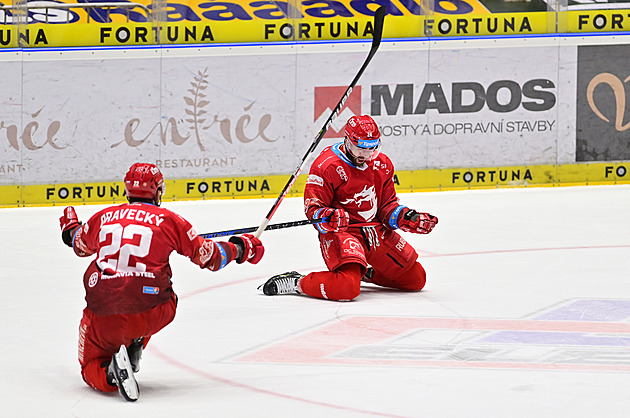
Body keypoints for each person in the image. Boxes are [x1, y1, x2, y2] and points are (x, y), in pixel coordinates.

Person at [59, 163, 264, 402]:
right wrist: (241, 248)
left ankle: (111, 374)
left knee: (90, 366)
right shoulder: (169, 220)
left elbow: (78, 245)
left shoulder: (104, 217)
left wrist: (70, 227)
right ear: (157, 191)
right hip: (155, 312)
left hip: (104, 315)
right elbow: (210, 257)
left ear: (127, 191)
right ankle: (135, 344)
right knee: (158, 293)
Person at [260, 115, 437, 301]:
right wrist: (328, 216)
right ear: (347, 140)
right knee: (346, 289)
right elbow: (313, 208)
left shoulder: (382, 164)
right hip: (343, 231)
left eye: (371, 149)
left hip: (374, 230)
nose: (365, 155)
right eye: (360, 148)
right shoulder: (326, 165)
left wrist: (407, 217)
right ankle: (297, 282)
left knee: (416, 279)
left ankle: (365, 273)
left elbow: (386, 205)